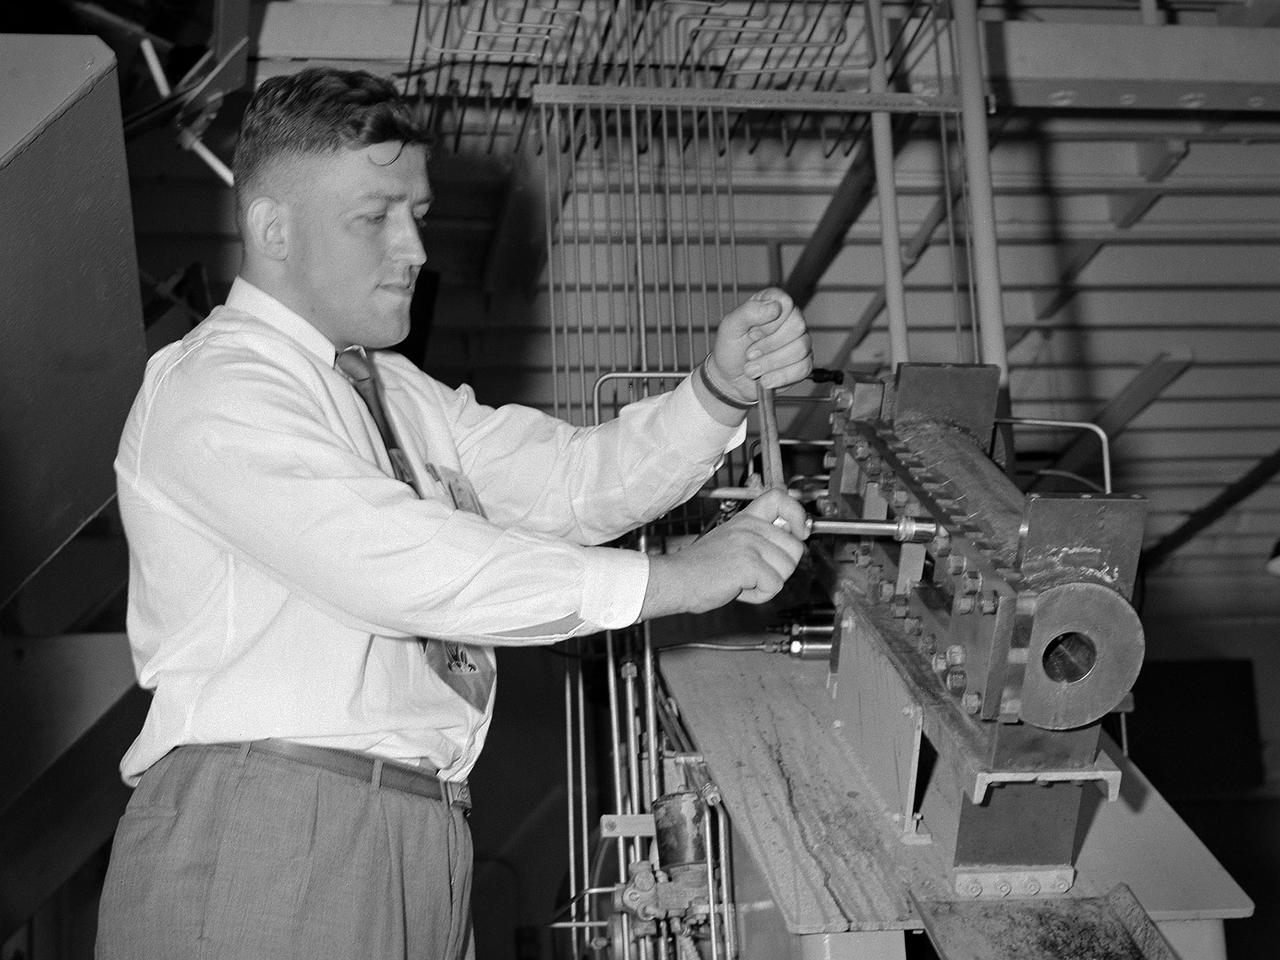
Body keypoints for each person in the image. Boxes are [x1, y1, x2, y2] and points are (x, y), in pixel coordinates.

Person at [96, 67, 812, 960]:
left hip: (423, 831)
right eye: (375, 217)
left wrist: (715, 393)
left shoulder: (395, 391)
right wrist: (676, 579)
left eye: (419, 215)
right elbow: (397, 564)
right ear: (270, 228)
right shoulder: (217, 385)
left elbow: (566, 482)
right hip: (272, 822)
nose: (415, 249)